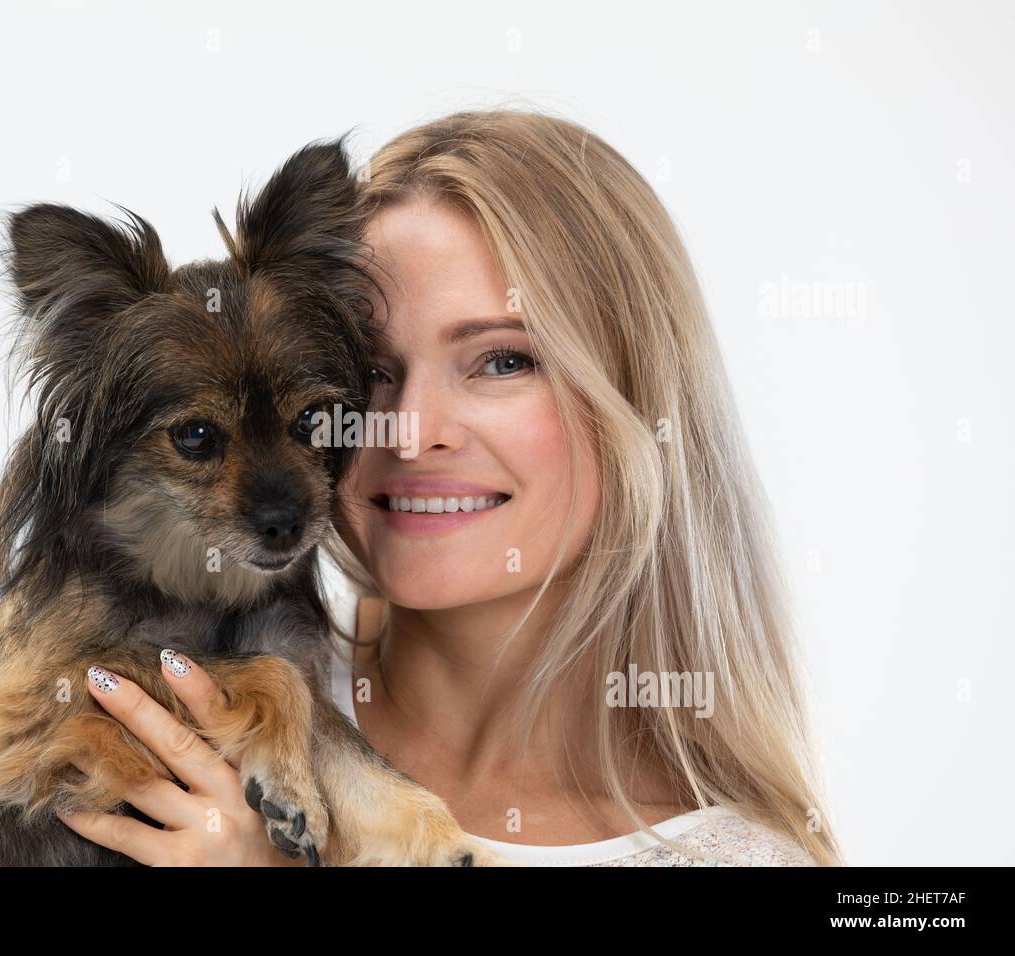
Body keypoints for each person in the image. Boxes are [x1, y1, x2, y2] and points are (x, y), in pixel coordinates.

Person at [54, 110, 842, 867]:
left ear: (639, 398)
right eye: (368, 375)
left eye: (502, 361)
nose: (411, 428)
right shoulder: (143, 689)